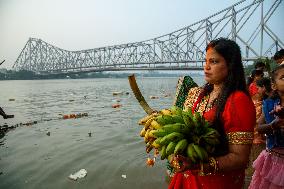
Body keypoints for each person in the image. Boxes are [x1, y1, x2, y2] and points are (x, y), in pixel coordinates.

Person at [168, 38, 256, 189]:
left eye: (214, 62)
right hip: (187, 178)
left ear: (230, 65)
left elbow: (239, 158)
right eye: (206, 61)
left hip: (216, 183)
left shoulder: (238, 101)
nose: (206, 67)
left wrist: (200, 165)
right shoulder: (199, 94)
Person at [248, 65, 284, 189]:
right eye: (283, 77)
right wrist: (272, 125)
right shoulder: (268, 104)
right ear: (273, 85)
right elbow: (259, 127)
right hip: (273, 158)